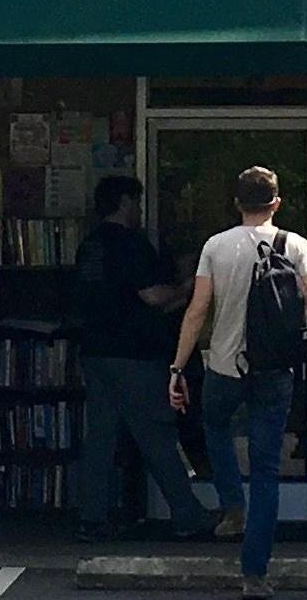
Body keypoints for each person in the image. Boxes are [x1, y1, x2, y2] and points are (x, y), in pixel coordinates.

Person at [170, 164, 307, 600]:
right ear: (277, 203)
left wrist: (178, 367)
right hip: (274, 369)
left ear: (237, 203)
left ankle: (231, 503)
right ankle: (254, 574)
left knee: (214, 426)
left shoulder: (216, 247)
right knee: (268, 470)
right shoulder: (294, 245)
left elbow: (198, 310)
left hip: (223, 365)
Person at [70, 175, 205, 540]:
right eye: (137, 203)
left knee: (100, 438)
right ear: (125, 203)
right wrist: (187, 287)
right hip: (134, 353)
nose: (140, 210)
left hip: (96, 351)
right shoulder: (131, 245)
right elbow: (152, 297)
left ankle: (92, 517)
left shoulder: (89, 247)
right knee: (157, 435)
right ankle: (188, 515)